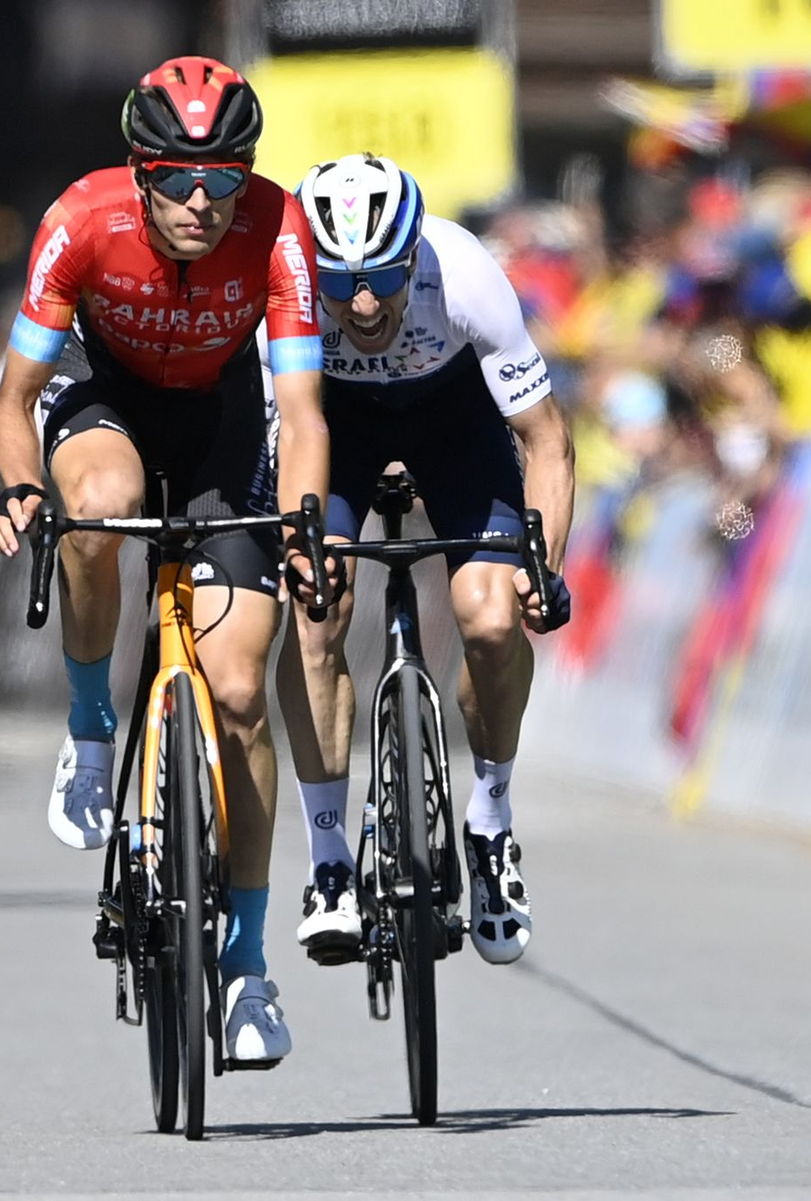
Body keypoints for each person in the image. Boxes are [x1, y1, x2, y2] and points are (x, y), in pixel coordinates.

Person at [0, 57, 329, 1064]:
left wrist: (303, 522)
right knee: (100, 508)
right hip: (109, 400)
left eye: (224, 178)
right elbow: (13, 401)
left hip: (224, 423)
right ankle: (93, 727)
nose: (199, 200)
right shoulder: (80, 220)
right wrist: (19, 487)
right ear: (139, 172)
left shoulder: (280, 228)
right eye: (177, 177)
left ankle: (248, 966)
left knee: (238, 694)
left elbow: (302, 411)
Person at [271, 153, 575, 967]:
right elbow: (283, 430)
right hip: (336, 430)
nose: (362, 303)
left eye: (380, 280)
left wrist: (541, 564)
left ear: (414, 257)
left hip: (455, 428)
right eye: (340, 284)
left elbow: (548, 440)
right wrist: (298, 549)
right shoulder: (287, 284)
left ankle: (492, 819)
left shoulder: (467, 273)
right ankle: (330, 860)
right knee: (316, 607)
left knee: (491, 613)